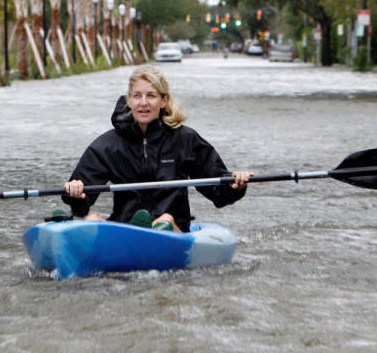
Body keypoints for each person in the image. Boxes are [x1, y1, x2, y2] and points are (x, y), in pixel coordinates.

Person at [62, 65, 252, 232]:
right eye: (137, 96)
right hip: (125, 228)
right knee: (92, 219)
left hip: (172, 228)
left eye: (151, 96)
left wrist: (236, 184)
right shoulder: (107, 145)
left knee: (165, 220)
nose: (143, 102)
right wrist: (75, 191)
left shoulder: (185, 139)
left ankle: (156, 229)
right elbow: (80, 206)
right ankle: (136, 231)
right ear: (129, 101)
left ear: (163, 101)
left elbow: (218, 191)